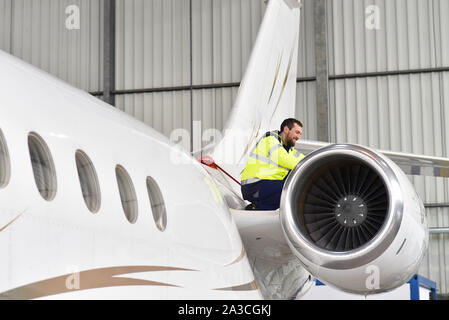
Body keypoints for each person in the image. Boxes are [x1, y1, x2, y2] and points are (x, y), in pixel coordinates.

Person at [241, 118, 305, 210]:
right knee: (293, 186)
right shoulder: (270, 139)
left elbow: (304, 160)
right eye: (297, 132)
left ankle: (257, 207)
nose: (298, 137)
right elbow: (283, 159)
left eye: (300, 134)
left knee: (297, 182)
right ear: (286, 129)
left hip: (267, 185)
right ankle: (258, 207)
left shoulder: (290, 150)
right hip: (254, 186)